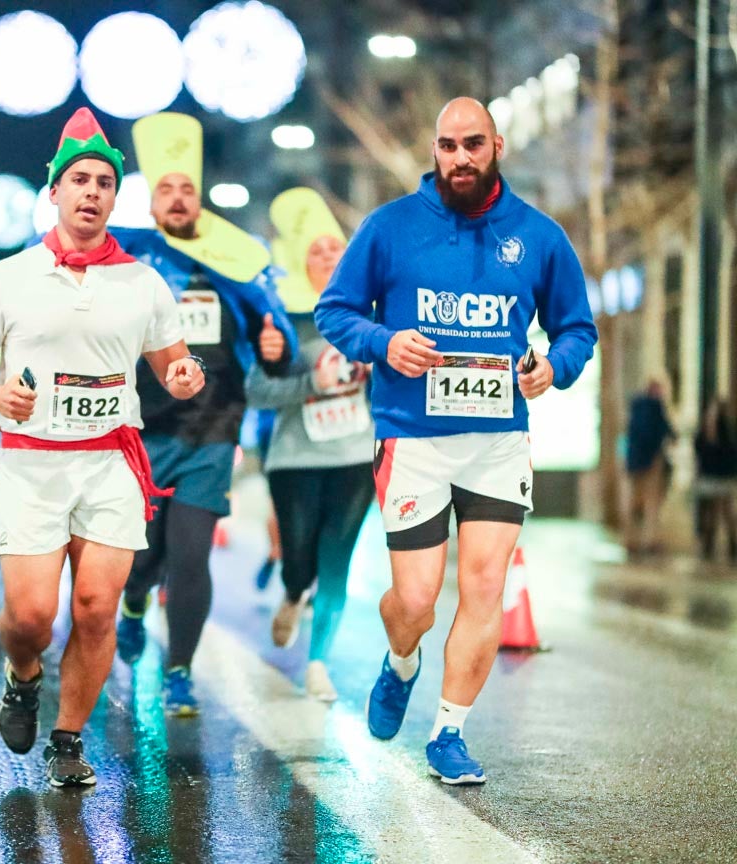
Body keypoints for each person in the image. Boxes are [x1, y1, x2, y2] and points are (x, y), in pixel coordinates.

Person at [315, 97, 597, 784]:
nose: (460, 158)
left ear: (497, 144)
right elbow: (335, 310)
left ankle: (449, 731)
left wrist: (551, 368)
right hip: (413, 438)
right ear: (435, 150)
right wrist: (384, 342)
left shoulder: (537, 236)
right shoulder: (390, 228)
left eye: (473, 143)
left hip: (499, 440)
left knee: (483, 587)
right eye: (448, 145)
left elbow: (576, 329)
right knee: (413, 601)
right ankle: (401, 662)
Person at [0, 107, 204, 788]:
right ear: (55, 192)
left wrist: (186, 375)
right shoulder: (9, 277)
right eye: (79, 180)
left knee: (96, 607)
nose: (92, 192)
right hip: (31, 464)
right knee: (31, 616)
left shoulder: (143, 282)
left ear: (114, 197)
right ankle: (23, 672)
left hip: (109, 463)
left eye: (103, 182)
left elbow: (173, 364)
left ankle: (68, 739)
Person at [110, 111, 295, 716]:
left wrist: (278, 347)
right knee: (143, 561)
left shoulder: (236, 257)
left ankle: (180, 672)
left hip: (212, 430)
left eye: (187, 188)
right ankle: (133, 604)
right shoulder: (128, 254)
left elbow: (279, 328)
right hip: (141, 431)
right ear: (152, 200)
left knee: (189, 556)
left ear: (199, 199)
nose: (178, 197)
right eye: (166, 189)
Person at [245, 188, 374, 701]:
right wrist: (310, 385)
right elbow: (257, 390)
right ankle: (293, 591)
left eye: (335, 248)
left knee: (336, 559)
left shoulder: (372, 312)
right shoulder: (285, 318)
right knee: (299, 559)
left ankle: (318, 662)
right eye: (316, 250)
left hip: (354, 457)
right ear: (301, 261)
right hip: (295, 459)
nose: (327, 257)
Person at [624, 379, 675, 555]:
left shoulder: (637, 408)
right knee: (650, 503)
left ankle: (633, 540)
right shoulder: (654, 407)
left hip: (636, 462)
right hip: (650, 462)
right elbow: (662, 431)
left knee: (636, 503)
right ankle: (649, 540)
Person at [693, 397, 737, 562]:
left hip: (723, 478)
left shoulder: (728, 433)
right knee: (710, 512)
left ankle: (732, 545)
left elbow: (730, 455)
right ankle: (708, 544)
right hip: (708, 478)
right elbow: (699, 453)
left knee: (727, 512)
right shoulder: (703, 433)